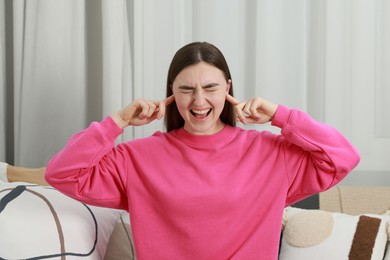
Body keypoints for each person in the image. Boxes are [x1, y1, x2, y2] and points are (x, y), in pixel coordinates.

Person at [45, 42, 360, 259]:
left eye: (210, 88)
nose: (199, 101)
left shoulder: (268, 151)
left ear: (228, 88)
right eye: (186, 89)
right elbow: (62, 173)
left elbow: (342, 157)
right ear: (172, 94)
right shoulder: (136, 157)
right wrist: (118, 121)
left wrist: (281, 115)